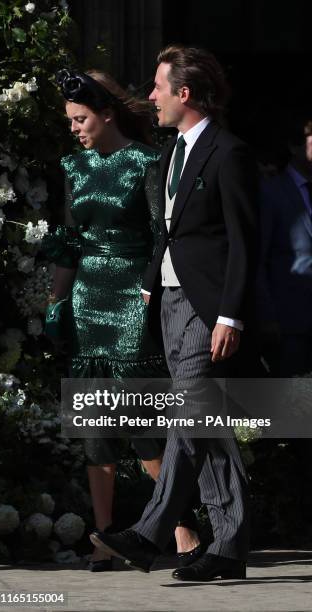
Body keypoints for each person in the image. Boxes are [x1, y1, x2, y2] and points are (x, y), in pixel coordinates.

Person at [91, 45, 258, 581]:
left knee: (189, 417)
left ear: (184, 94)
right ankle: (229, 550)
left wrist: (230, 315)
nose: (152, 97)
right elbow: (167, 231)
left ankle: (148, 532)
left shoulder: (227, 152)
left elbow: (243, 242)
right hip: (168, 304)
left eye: (159, 87)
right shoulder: (171, 155)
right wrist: (149, 288)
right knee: (206, 424)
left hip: (205, 309)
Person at [43, 68, 198, 571]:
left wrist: (154, 294)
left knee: (143, 420)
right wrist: (56, 301)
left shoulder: (147, 161)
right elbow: (68, 241)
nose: (74, 128)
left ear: (107, 114)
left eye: (81, 118)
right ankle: (105, 538)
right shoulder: (75, 166)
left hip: (134, 298)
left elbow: (162, 235)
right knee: (95, 424)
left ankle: (180, 529)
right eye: (70, 120)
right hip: (88, 301)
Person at [257, 110, 312, 376]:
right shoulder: (271, 192)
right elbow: (259, 258)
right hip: (290, 320)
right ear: (294, 145)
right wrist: (267, 317)